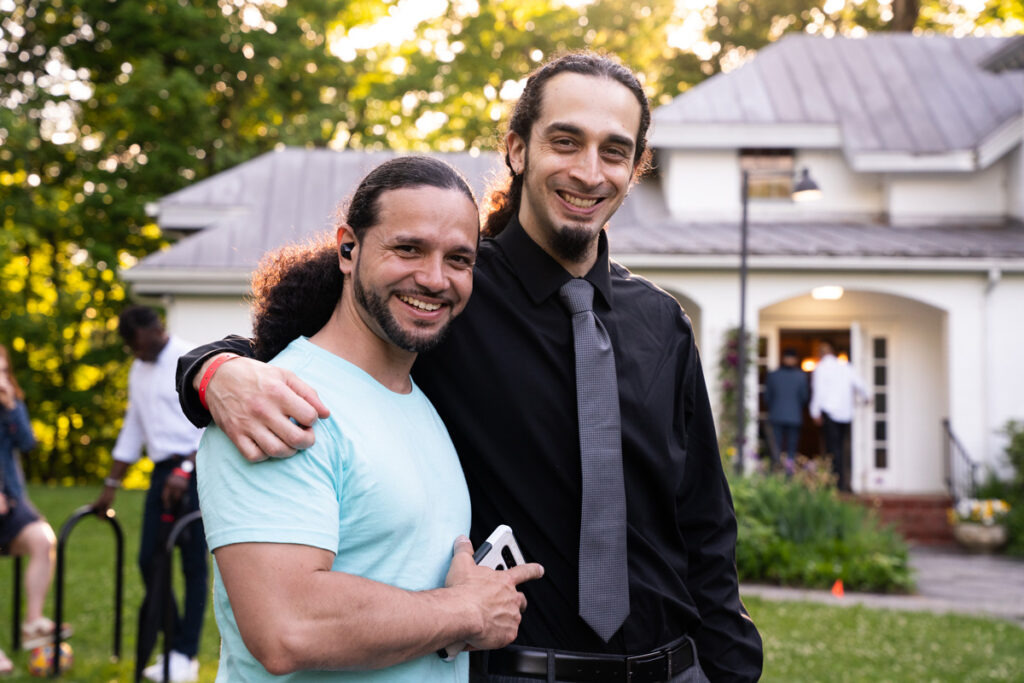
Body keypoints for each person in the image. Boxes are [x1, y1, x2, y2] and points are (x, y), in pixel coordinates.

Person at [177, 52, 763, 682]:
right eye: (565, 142)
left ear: (634, 169)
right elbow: (322, 340)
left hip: (671, 670)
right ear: (517, 148)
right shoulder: (450, 292)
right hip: (511, 668)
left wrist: (730, 670)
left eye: (614, 151)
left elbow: (704, 523)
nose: (589, 172)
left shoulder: (662, 324)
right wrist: (212, 372)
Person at [197, 155, 544, 681]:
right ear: (348, 248)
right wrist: (467, 610)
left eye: (459, 260)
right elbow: (286, 626)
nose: (434, 278)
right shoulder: (277, 402)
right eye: (408, 249)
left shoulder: (422, 401)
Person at [91, 307, 208, 683]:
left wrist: (185, 469)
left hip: (197, 468)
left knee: (192, 566)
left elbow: (213, 423)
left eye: (136, 344)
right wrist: (110, 486)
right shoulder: (137, 371)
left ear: (155, 330)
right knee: (149, 561)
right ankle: (171, 645)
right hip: (161, 474)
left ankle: (185, 657)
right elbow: (133, 428)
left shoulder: (192, 359)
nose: (134, 352)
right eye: (129, 347)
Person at [1, 344, 72, 676]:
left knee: (43, 541)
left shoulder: (10, 404)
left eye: (3, 371)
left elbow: (28, 443)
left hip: (12, 503)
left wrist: (11, 404)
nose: (0, 378)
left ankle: (32, 623)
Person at [809, 341, 870, 492]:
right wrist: (867, 396)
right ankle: (844, 481)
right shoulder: (845, 366)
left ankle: (835, 483)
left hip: (830, 413)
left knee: (832, 449)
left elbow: (818, 391)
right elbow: (861, 384)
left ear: (820, 354)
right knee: (843, 448)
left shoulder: (821, 368)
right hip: (846, 413)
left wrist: (814, 412)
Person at [763, 348, 809, 472]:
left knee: (776, 447)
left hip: (777, 415)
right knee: (791, 449)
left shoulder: (773, 375)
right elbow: (804, 397)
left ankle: (776, 473)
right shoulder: (801, 376)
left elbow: (767, 398)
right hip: (794, 416)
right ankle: (788, 474)